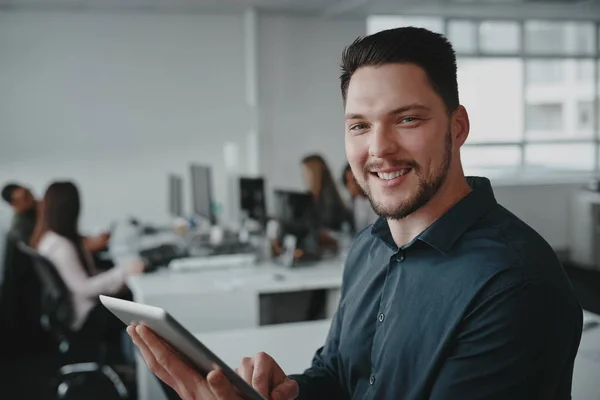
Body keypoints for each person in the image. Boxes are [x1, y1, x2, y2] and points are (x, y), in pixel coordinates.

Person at [127, 27, 583, 399]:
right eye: (360, 126)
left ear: (457, 126)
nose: (379, 148)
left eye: (407, 119)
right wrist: (282, 393)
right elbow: (341, 377)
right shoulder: (370, 248)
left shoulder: (515, 284)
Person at [31, 181, 145, 362]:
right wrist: (125, 272)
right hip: (85, 315)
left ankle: (127, 360)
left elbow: (85, 276)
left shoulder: (50, 238)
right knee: (140, 308)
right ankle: (135, 363)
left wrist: (118, 275)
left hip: (76, 309)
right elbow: (84, 288)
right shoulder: (61, 246)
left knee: (132, 297)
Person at [1, 182, 111, 252]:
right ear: (14, 205)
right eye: (26, 198)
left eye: (29, 192)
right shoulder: (20, 227)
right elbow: (42, 248)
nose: (32, 198)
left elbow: (63, 231)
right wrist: (43, 214)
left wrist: (89, 239)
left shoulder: (36, 210)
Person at [301, 154, 349, 233]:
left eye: (306, 172)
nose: (303, 176)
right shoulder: (306, 199)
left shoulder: (331, 202)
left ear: (315, 174)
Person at [341, 163, 378, 233]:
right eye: (347, 181)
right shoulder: (352, 203)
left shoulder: (377, 201)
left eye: (354, 180)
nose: (351, 185)